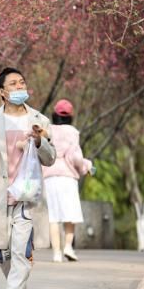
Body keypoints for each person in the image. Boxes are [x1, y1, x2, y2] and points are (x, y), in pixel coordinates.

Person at [0, 67, 56, 289]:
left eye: (22, 82)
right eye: (13, 84)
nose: (20, 87)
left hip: (26, 196)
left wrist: (38, 141)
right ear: (2, 92)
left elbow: (50, 158)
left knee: (21, 250)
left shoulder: (39, 120)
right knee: (3, 252)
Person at [43, 99, 93, 263]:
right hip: (67, 176)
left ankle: (56, 253)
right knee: (70, 213)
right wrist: (85, 167)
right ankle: (68, 247)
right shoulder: (72, 132)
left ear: (55, 114)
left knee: (54, 217)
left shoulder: (48, 129)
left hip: (49, 176)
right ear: (70, 116)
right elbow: (74, 156)